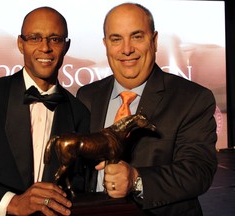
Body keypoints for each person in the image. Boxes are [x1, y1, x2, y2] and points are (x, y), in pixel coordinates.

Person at [0, 6, 90, 216]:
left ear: (66, 46)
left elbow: (77, 184)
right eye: (35, 38)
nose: (45, 48)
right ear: (20, 44)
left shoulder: (79, 112)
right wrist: (12, 203)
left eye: (55, 39)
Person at [77, 3, 217, 216]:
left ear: (154, 40)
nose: (126, 49)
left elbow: (198, 172)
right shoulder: (87, 96)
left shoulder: (193, 98)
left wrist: (136, 180)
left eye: (137, 36)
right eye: (116, 39)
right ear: (105, 44)